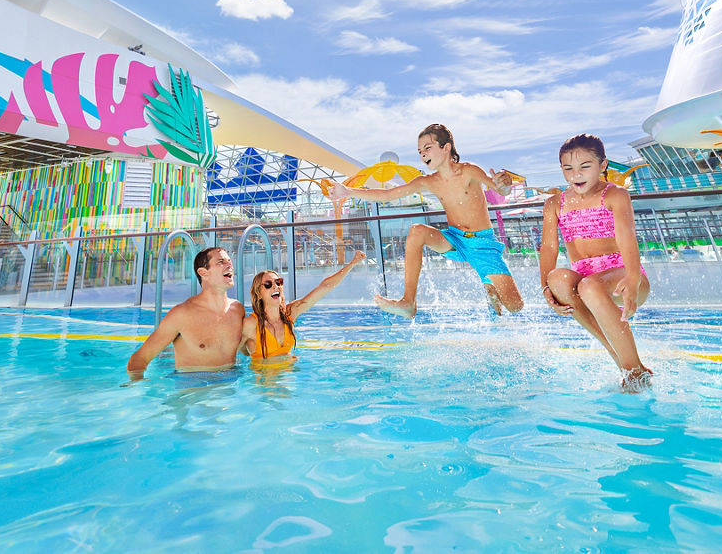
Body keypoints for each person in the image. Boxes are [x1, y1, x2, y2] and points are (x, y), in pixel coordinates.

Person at [329, 123, 523, 318]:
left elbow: (499, 189)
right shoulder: (428, 181)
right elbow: (388, 194)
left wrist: (504, 184)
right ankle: (408, 302)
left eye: (427, 148)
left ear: (446, 148)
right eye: (420, 151)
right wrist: (348, 191)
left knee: (515, 306)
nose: (422, 154)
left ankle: (489, 286)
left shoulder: (469, 171)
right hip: (454, 240)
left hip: (482, 244)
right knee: (417, 231)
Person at [539, 133, 652, 391]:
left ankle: (633, 369)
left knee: (590, 286)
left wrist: (633, 278)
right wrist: (545, 287)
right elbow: (549, 248)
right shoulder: (554, 204)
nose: (576, 174)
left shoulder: (615, 195)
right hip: (585, 282)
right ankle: (622, 359)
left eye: (585, 166)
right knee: (557, 278)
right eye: (568, 168)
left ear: (603, 165)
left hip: (624, 276)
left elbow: (627, 237)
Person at [127, 247, 245, 378]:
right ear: (203, 272)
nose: (230, 265)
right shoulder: (181, 315)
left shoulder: (237, 310)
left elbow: (248, 350)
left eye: (229, 261)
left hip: (230, 383)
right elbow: (138, 360)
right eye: (221, 262)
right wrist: (137, 386)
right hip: (193, 385)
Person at [242, 250, 367, 363]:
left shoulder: (289, 314)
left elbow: (325, 286)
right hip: (264, 381)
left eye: (278, 282)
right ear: (258, 293)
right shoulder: (251, 324)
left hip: (289, 378)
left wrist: (352, 264)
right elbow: (234, 353)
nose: (275, 286)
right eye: (268, 284)